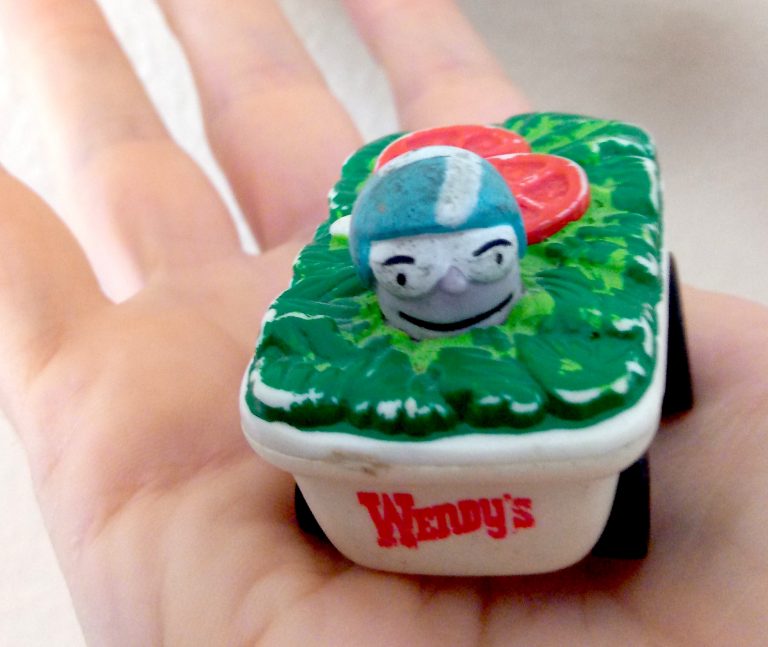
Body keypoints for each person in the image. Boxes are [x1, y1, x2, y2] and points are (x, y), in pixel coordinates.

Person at [0, 0, 766, 644]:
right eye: (407, 270)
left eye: (485, 256)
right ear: (373, 266)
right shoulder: (339, 339)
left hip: (564, 462)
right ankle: (351, 497)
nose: (451, 281)